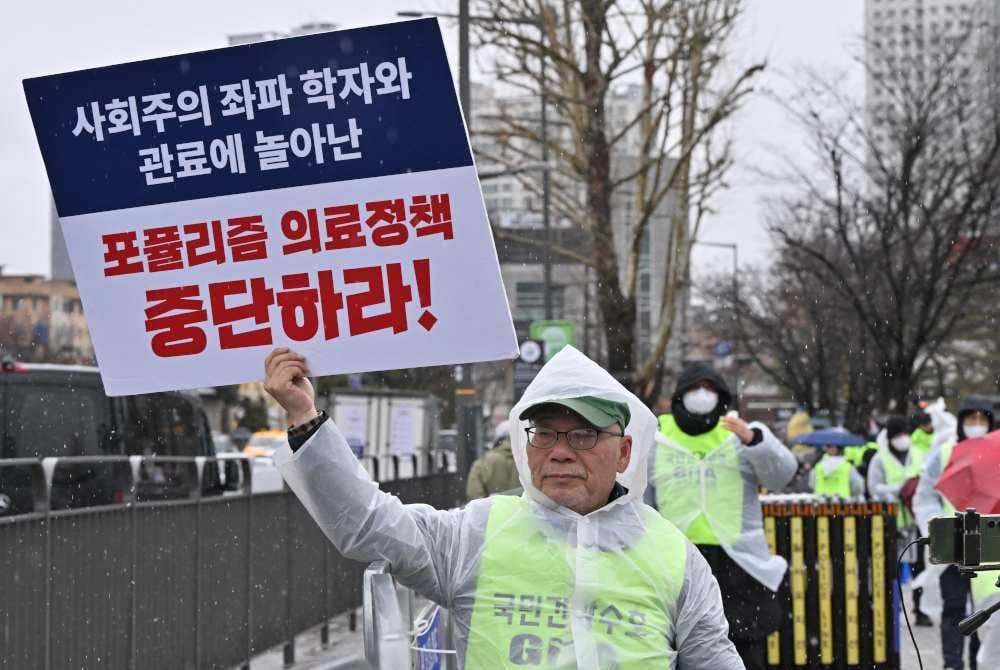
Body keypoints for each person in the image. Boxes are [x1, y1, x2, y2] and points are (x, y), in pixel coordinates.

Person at [265, 346, 743, 668]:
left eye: (583, 434)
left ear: (624, 453)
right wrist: (305, 418)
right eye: (544, 434)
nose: (560, 452)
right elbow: (368, 524)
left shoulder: (673, 555)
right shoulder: (476, 533)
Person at [646, 362, 798, 670]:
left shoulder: (738, 434)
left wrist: (754, 440)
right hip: (678, 564)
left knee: (742, 648)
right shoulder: (656, 440)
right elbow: (644, 504)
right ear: (680, 396)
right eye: (695, 388)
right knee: (681, 646)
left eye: (710, 389)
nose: (703, 395)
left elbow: (782, 475)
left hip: (738, 565)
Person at [915, 396, 995, 670]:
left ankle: (977, 663)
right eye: (971, 418)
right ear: (961, 422)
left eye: (982, 419)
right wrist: (938, 528)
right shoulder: (945, 453)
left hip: (989, 550)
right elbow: (925, 495)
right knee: (954, 608)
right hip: (954, 547)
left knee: (984, 612)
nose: (977, 424)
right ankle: (952, 663)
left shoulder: (997, 454)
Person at [866, 415, 931, 626]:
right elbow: (874, 488)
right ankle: (892, 608)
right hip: (891, 523)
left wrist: (915, 489)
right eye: (899, 434)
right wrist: (900, 490)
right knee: (891, 568)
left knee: (919, 568)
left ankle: (919, 608)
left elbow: (928, 482)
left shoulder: (919, 455)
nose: (903, 438)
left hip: (915, 520)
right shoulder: (880, 459)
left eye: (905, 433)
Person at [466, 420, 520, 500]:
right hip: (524, 507)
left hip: (494, 507)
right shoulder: (526, 459)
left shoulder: (483, 462)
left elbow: (473, 493)